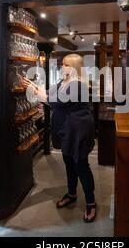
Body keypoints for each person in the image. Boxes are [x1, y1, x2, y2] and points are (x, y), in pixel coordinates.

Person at [22, 54, 96, 222]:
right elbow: (50, 95)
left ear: (74, 67)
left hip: (78, 132)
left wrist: (34, 90)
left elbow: (55, 102)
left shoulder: (78, 85)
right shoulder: (64, 82)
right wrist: (34, 86)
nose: (62, 67)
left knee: (81, 167)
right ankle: (72, 193)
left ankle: (91, 202)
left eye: (65, 65)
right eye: (62, 65)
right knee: (69, 165)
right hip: (67, 132)